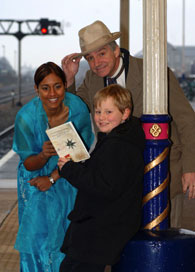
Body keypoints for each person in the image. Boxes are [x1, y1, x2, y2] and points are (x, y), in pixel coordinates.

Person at [61, 20, 195, 228]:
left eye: (101, 53)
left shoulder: (154, 73)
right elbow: (75, 115)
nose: (96, 62)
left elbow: (187, 120)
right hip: (118, 180)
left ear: (116, 50)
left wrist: (190, 168)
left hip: (160, 171)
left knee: (163, 238)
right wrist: (69, 81)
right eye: (90, 57)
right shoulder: (91, 79)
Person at [12, 62, 94, 272]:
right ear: (36, 89)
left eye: (57, 86)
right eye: (45, 88)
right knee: (37, 239)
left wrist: (53, 178)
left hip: (69, 178)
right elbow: (28, 163)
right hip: (35, 181)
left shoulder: (77, 108)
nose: (52, 93)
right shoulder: (26, 117)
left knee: (68, 234)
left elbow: (80, 154)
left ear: (65, 85)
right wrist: (43, 155)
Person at [57, 84, 145, 272]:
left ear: (125, 113)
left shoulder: (118, 145)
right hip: (102, 225)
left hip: (100, 228)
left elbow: (105, 186)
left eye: (108, 112)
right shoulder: (120, 139)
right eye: (98, 111)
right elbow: (105, 176)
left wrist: (71, 169)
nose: (101, 117)